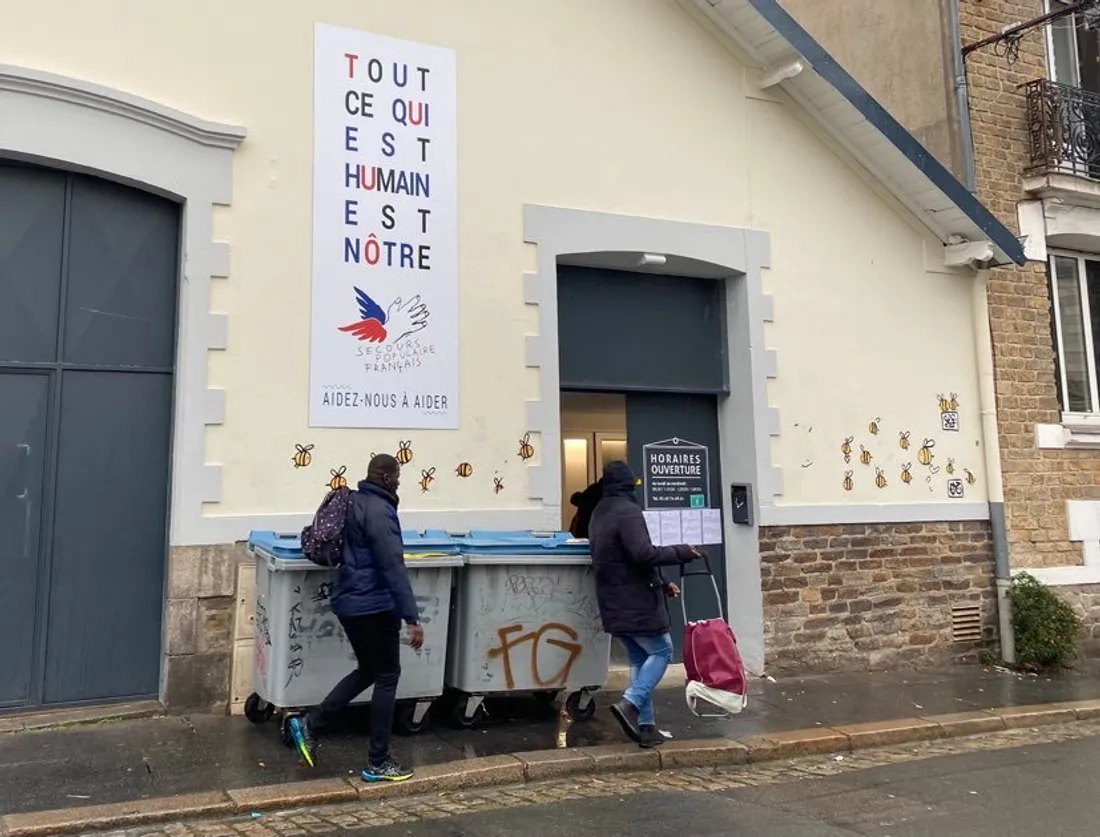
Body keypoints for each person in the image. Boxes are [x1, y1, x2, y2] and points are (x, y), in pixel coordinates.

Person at [298, 453, 424, 783]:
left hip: (349, 602)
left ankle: (311, 724)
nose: (398, 482)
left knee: (370, 670)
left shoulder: (354, 502)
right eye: (396, 477)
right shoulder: (380, 511)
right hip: (374, 606)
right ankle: (378, 761)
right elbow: (392, 566)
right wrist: (412, 617)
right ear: (385, 477)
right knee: (387, 676)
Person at [588, 460, 699, 748]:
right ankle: (630, 703)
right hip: (635, 600)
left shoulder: (600, 512)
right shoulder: (628, 511)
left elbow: (627, 556)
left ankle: (646, 728)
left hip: (612, 598)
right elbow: (642, 554)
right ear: (629, 484)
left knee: (639, 659)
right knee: (663, 651)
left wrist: (662, 582)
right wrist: (682, 552)